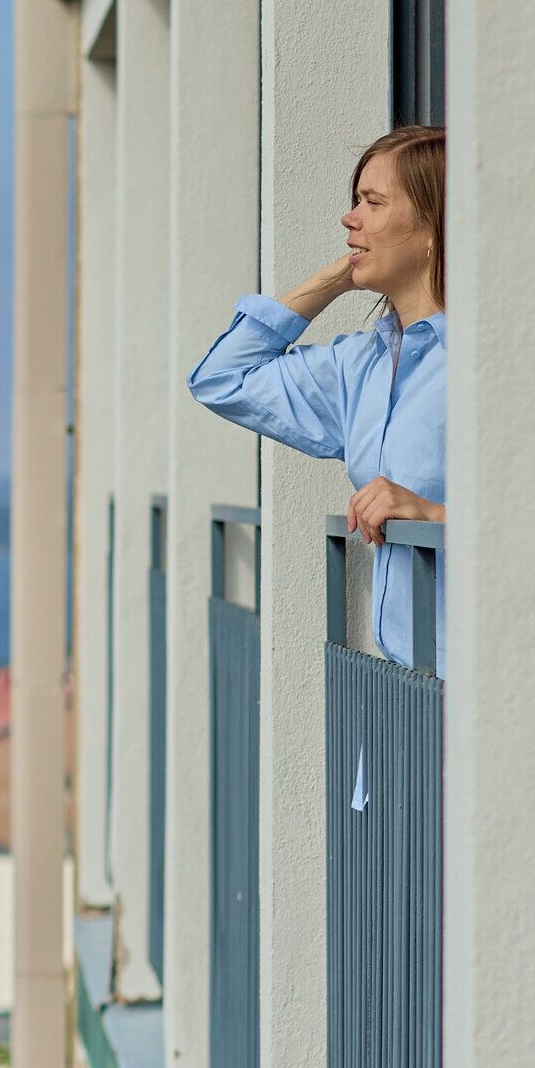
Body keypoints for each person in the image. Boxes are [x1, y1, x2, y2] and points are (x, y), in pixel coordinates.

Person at [188, 125, 447, 665]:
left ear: (436, 226)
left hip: (487, 686)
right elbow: (222, 379)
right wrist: (335, 278)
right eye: (357, 201)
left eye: (373, 202)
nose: (350, 218)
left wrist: (435, 514)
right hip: (406, 690)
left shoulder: (487, 365)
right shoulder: (363, 364)